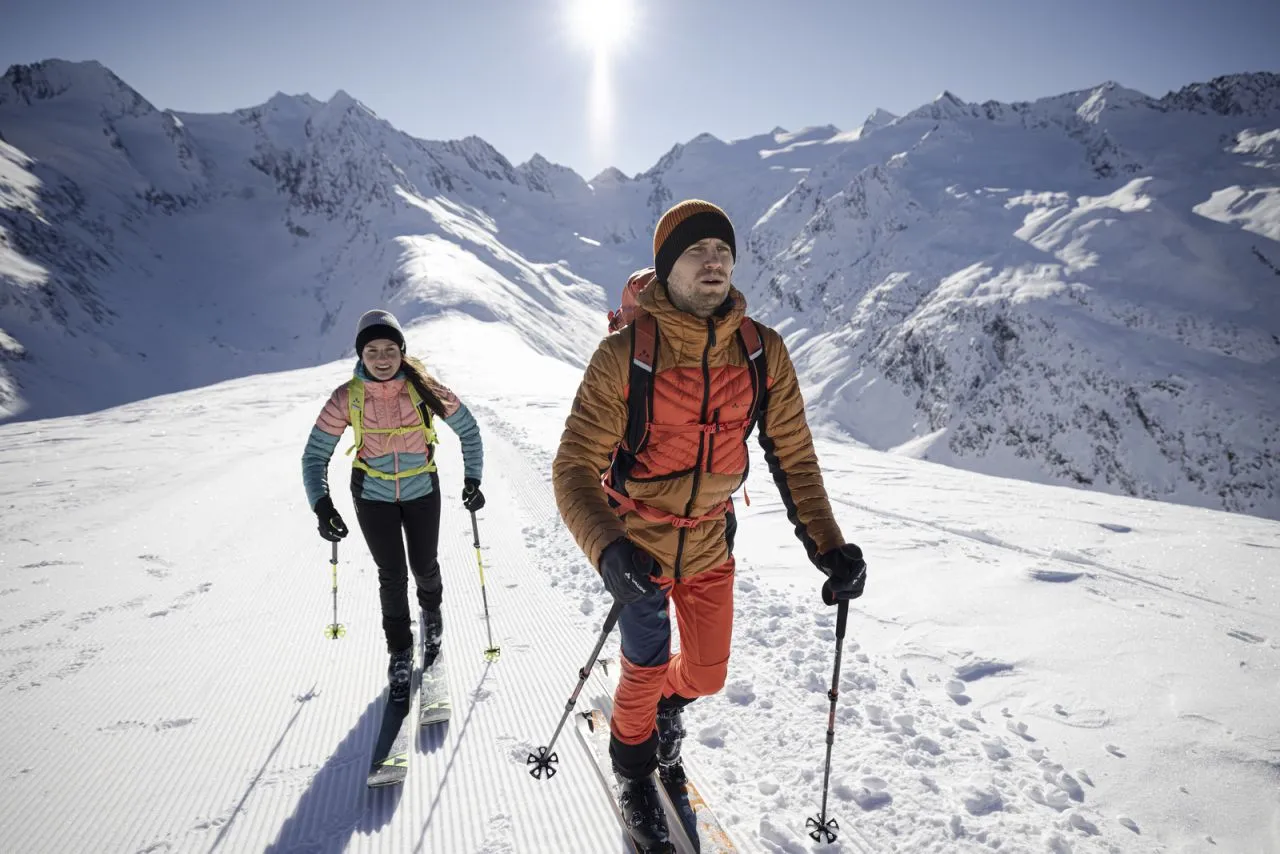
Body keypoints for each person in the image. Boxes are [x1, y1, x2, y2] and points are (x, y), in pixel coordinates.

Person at [552, 200, 867, 849]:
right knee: (644, 664)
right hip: (636, 544)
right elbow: (574, 465)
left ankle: (666, 708)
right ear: (666, 268)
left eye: (722, 250)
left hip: (708, 542)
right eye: (697, 251)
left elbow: (794, 456)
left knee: (705, 674)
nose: (714, 260)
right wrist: (609, 551)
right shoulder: (624, 356)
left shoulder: (761, 351)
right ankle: (634, 773)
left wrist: (830, 548)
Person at [302, 309, 485, 703]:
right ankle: (400, 650)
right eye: (372, 351)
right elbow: (314, 455)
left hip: (421, 491)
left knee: (424, 566)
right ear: (360, 354)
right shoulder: (347, 398)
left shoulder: (423, 389)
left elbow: (469, 430)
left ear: (402, 351)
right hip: (372, 497)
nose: (381, 358)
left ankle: (432, 619)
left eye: (389, 349)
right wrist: (322, 505)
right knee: (392, 575)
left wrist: (473, 479)